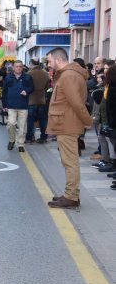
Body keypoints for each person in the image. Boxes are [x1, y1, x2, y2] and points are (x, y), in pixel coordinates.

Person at [46, 48, 93, 209]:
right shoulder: (68, 74)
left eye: (49, 60)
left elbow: (77, 103)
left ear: (58, 60)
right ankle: (71, 194)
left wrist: (88, 121)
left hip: (67, 124)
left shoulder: (68, 76)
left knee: (70, 162)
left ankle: (71, 196)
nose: (48, 64)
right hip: (66, 122)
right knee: (69, 161)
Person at [2, 60, 33, 152]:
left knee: (22, 127)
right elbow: (4, 91)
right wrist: (4, 105)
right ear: (13, 67)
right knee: (11, 123)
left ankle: (21, 144)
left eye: (20, 66)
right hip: (11, 106)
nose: (18, 68)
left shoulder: (27, 77)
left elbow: (32, 88)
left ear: (22, 67)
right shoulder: (8, 77)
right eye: (17, 66)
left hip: (23, 106)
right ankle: (11, 140)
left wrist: (27, 91)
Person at [26, 59, 50, 144]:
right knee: (42, 120)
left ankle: (30, 137)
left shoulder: (29, 74)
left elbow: (26, 87)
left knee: (30, 120)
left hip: (31, 100)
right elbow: (47, 87)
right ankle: (43, 137)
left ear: (31, 64)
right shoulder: (45, 74)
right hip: (42, 100)